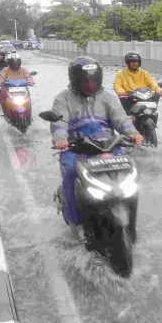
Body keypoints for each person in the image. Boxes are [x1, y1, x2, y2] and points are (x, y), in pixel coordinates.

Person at [50, 56, 144, 240]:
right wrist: (60, 138)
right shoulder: (63, 98)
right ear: (75, 80)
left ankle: (131, 224)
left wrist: (133, 133)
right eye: (86, 81)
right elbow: (59, 123)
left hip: (108, 144)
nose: (90, 84)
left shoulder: (107, 97)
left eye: (93, 80)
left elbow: (120, 118)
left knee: (130, 169)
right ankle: (75, 220)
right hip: (76, 146)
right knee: (70, 171)